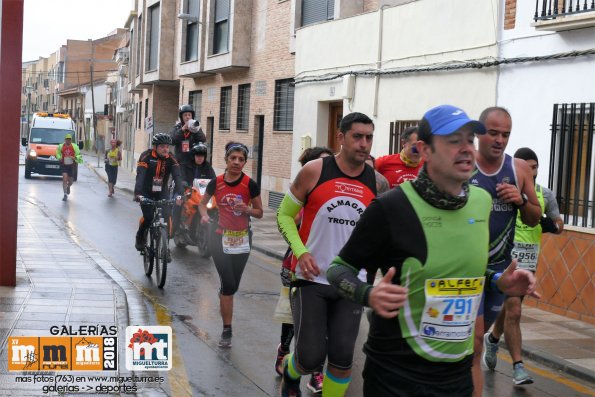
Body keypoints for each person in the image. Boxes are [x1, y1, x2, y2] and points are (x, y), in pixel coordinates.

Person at [326, 104, 539, 397]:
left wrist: (497, 280)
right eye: (454, 141)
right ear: (425, 151)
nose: (466, 149)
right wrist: (369, 294)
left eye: (469, 140)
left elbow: (456, 266)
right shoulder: (391, 207)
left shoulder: (480, 202)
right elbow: (338, 269)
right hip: (396, 375)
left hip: (456, 376)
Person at [277, 112, 377, 397]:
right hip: (311, 277)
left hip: (351, 282)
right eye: (357, 136)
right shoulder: (314, 170)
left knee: (343, 357)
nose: (364, 144)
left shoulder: (377, 183)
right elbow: (284, 215)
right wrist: (302, 252)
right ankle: (290, 369)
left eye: (369, 137)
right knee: (310, 357)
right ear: (341, 137)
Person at [469, 107, 542, 394]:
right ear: (478, 132)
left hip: (501, 269)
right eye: (493, 132)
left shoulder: (518, 169)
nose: (500, 140)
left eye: (506, 134)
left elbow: (535, 217)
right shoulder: (464, 164)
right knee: (473, 343)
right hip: (468, 268)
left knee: (479, 336)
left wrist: (521, 200)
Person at [482, 147, 563, 385]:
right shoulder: (502, 189)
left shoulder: (544, 194)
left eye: (534, 167)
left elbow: (559, 223)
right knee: (514, 311)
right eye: (527, 167)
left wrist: (552, 224)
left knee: (508, 311)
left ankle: (493, 339)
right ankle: (518, 367)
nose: (532, 172)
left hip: (529, 265)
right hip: (506, 262)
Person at [274, 146, 333, 394]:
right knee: (292, 320)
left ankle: (318, 372)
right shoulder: (302, 193)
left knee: (323, 326)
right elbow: (286, 222)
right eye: (323, 163)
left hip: (328, 273)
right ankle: (285, 351)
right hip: (296, 268)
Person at [198, 142, 263, 348]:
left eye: (241, 159)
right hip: (219, 237)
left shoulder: (250, 184)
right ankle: (227, 330)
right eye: (233, 158)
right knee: (228, 285)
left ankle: (224, 293)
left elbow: (259, 212)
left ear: (245, 162)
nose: (236, 162)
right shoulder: (215, 182)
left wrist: (247, 209)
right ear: (226, 160)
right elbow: (202, 203)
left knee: (233, 285)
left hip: (242, 239)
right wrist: (204, 216)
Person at [134, 133, 184, 252]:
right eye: (162, 146)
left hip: (162, 190)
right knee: (149, 217)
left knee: (167, 215)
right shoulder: (146, 156)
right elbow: (140, 176)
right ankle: (140, 236)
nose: (165, 149)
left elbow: (177, 177)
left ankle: (165, 248)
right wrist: (138, 193)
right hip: (146, 191)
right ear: (155, 147)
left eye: (167, 146)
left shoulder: (171, 158)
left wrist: (180, 194)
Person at [178, 143, 216, 234]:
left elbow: (214, 179)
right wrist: (184, 183)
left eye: (202, 156)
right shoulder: (185, 166)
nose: (200, 158)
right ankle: (179, 226)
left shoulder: (208, 167)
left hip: (204, 193)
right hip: (189, 191)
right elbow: (181, 177)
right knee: (178, 205)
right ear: (193, 156)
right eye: (198, 156)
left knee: (216, 206)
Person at [170, 104, 207, 185]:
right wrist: (182, 130)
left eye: (189, 115)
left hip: (193, 163)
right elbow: (172, 140)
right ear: (181, 117)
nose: (187, 117)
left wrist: (196, 130)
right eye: (185, 115)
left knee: (193, 185)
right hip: (180, 163)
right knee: (182, 185)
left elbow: (203, 139)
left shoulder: (196, 127)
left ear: (192, 116)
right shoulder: (177, 127)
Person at [56, 133, 82, 201]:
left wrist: (74, 157)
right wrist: (59, 158)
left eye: (69, 139)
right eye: (67, 139)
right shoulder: (61, 146)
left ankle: (68, 186)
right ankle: (65, 194)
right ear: (65, 140)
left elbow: (79, 155)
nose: (68, 141)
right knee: (64, 178)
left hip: (72, 165)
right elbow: (57, 153)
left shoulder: (75, 146)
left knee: (71, 181)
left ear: (71, 140)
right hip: (64, 165)